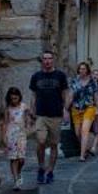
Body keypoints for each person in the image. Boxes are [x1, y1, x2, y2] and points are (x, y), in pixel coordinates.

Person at [28, 49, 70, 186]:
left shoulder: (60, 76)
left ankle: (50, 171)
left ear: (53, 60)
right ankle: (41, 167)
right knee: (40, 141)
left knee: (53, 144)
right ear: (42, 61)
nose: (47, 61)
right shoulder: (36, 76)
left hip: (56, 115)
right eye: (45, 59)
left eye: (49, 58)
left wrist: (66, 110)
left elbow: (65, 94)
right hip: (41, 114)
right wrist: (31, 110)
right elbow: (33, 95)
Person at [70, 60, 98, 161]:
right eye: (80, 69)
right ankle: (86, 149)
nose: (81, 70)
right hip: (76, 108)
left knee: (84, 131)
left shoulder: (93, 82)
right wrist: (65, 108)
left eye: (84, 69)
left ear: (87, 70)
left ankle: (82, 155)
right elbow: (71, 95)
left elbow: (96, 97)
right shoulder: (74, 81)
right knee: (77, 133)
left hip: (89, 107)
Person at [1, 87, 29, 190]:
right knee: (13, 158)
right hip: (11, 135)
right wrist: (3, 136)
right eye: (12, 99)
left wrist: (28, 128)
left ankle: (19, 172)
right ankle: (16, 180)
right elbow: (4, 123)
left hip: (21, 135)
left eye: (16, 98)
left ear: (19, 97)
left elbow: (27, 118)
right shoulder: (8, 109)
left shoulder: (24, 107)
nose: (14, 100)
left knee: (21, 159)